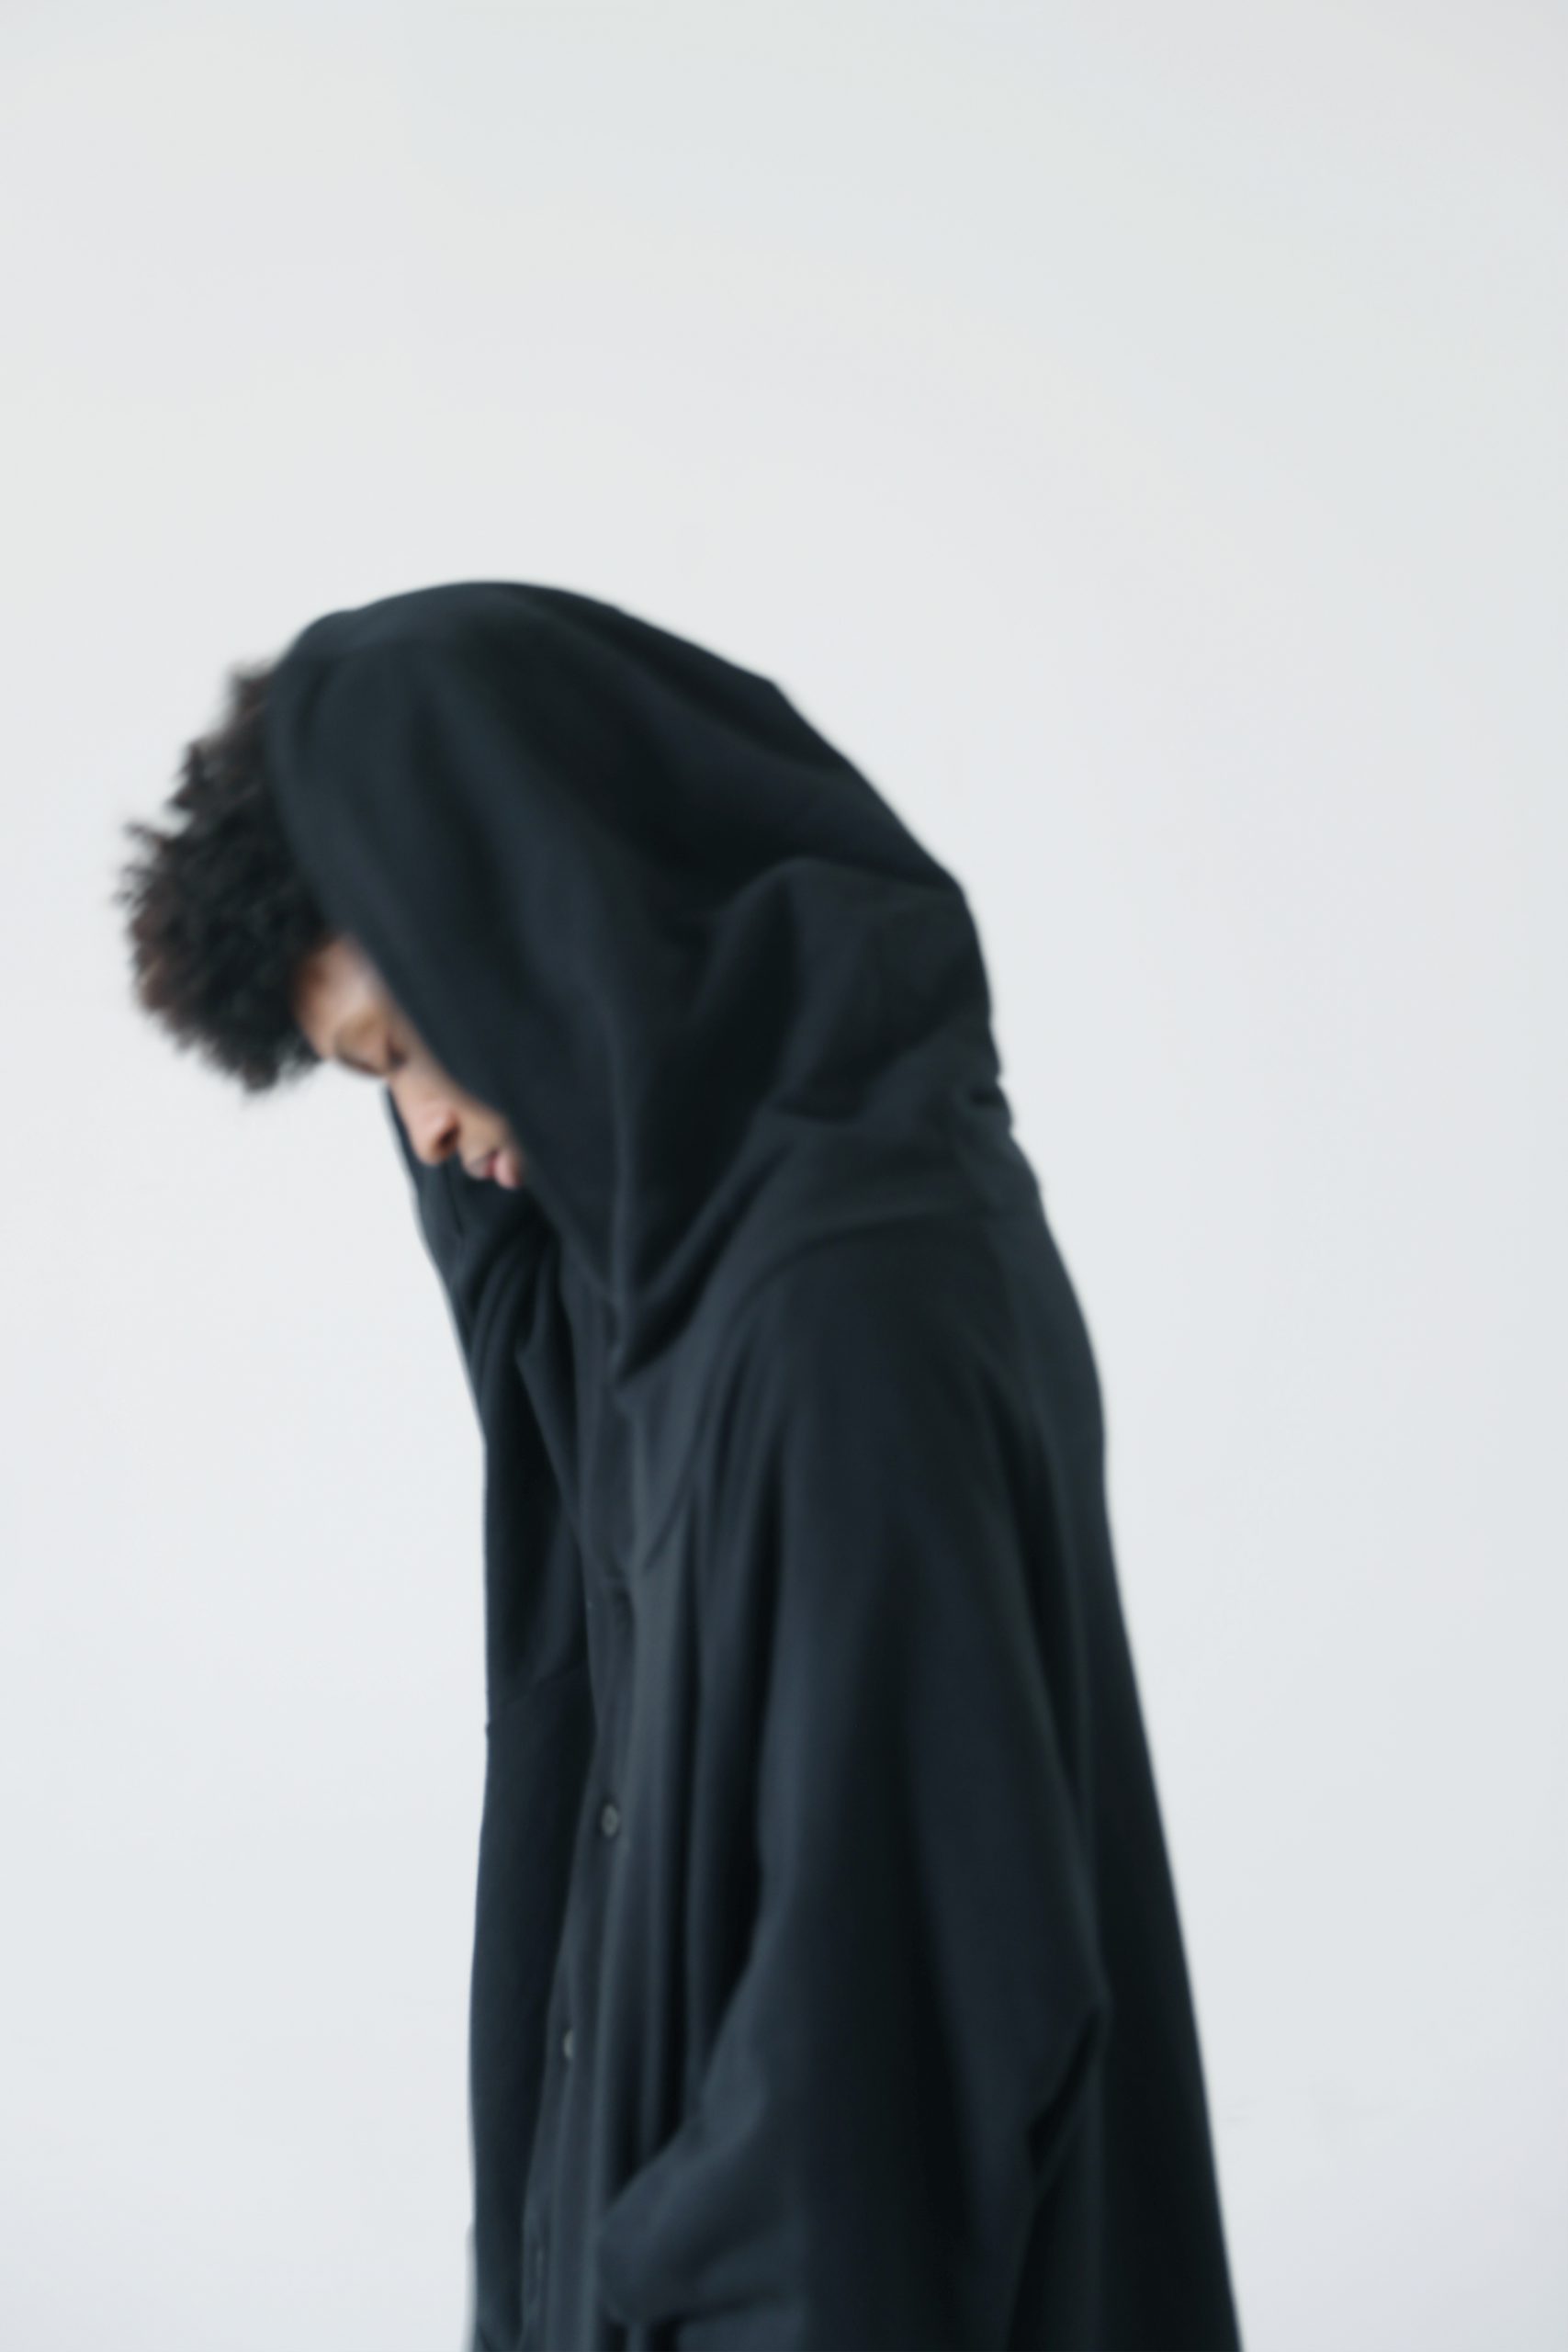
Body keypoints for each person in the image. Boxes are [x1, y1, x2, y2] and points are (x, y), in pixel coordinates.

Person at [115, 580, 1243, 2352]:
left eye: (414, 1040)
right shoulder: (670, 1290)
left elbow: (880, 2067)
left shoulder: (842, 1314)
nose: (428, 1125)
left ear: (535, 916)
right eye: (371, 1081)